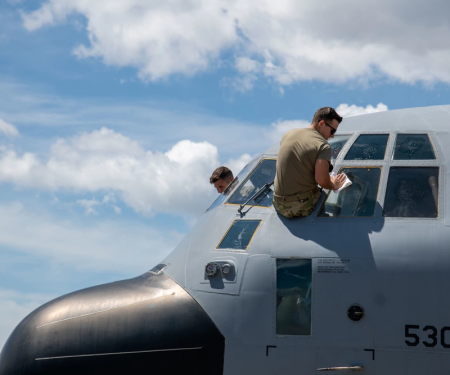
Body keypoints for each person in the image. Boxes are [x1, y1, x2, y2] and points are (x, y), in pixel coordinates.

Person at [273, 107, 347, 218]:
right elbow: (322, 181)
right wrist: (333, 184)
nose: (332, 135)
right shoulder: (323, 146)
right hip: (299, 207)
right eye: (332, 131)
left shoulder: (288, 134)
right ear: (321, 123)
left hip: (278, 203)